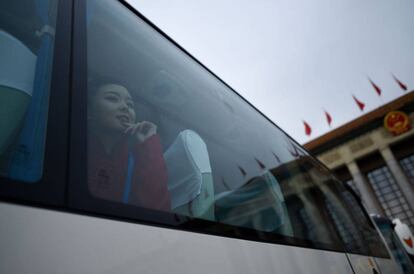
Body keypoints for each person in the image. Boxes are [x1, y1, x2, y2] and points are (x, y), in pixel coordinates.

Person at [87, 82, 171, 211]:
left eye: (130, 104)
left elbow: (157, 209)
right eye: (112, 98)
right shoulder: (72, 146)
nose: (125, 107)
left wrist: (150, 142)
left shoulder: (136, 159)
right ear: (90, 111)